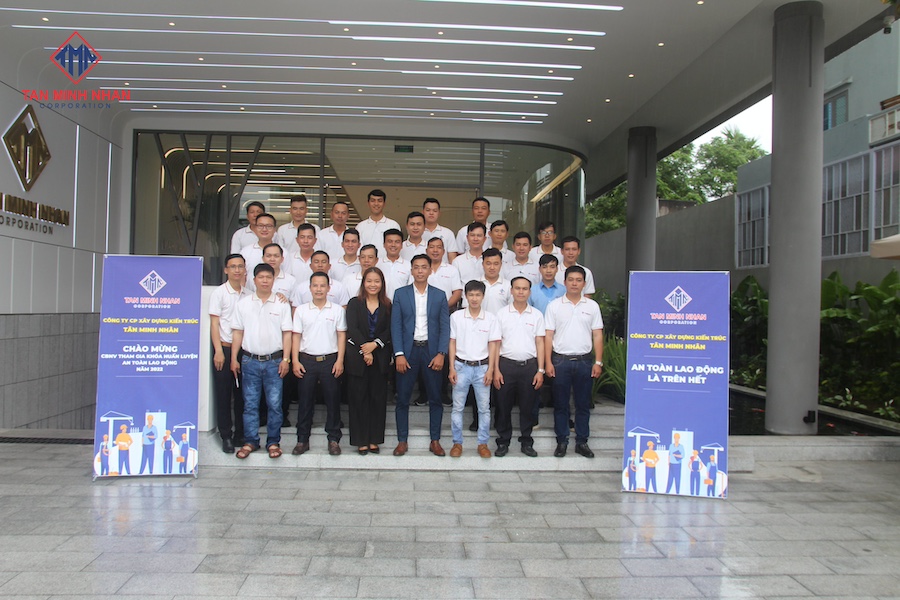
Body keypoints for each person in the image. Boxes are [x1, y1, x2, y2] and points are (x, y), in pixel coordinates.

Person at [231, 263, 293, 460]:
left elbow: (287, 334)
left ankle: (273, 442)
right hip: (249, 360)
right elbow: (238, 332)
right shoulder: (243, 304)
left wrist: (286, 359)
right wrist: (234, 358)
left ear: (273, 280)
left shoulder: (281, 304)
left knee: (274, 404)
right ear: (254, 280)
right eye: (261, 277)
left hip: (274, 361)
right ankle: (250, 441)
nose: (265, 281)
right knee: (250, 404)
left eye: (268, 277)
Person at [391, 254, 450, 457]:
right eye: (416, 267)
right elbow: (396, 326)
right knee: (402, 398)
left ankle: (435, 440)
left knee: (435, 398)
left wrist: (441, 353)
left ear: (430, 270)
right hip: (408, 352)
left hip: (431, 352)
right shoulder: (400, 294)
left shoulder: (439, 295)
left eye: (424, 267)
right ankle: (402, 441)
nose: (420, 271)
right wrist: (399, 354)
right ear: (411, 270)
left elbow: (445, 326)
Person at [544, 265, 604, 459]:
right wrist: (547, 362)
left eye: (578, 280)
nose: (574, 284)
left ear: (584, 284)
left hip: (584, 361)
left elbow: (597, 335)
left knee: (582, 404)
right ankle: (562, 441)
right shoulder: (554, 306)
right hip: (560, 361)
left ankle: (582, 442)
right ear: (565, 282)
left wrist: (598, 362)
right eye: (571, 280)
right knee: (561, 404)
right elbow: (548, 336)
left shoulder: (592, 306)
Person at [291, 272, 347, 456]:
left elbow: (341, 335)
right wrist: (295, 360)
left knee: (333, 401)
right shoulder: (301, 310)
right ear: (310, 288)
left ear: (329, 288)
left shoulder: (337, 310)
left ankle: (333, 439)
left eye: (323, 285)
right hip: (306, 360)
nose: (319, 289)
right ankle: (302, 440)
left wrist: (340, 360)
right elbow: (296, 336)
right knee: (305, 402)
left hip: (330, 360)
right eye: (315, 285)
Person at [493, 277, 545, 457]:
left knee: (528, 406)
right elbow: (496, 343)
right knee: (503, 405)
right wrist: (496, 369)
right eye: (517, 288)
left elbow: (540, 342)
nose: (521, 292)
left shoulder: (537, 315)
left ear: (530, 292)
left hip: (529, 366)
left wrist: (540, 370)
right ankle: (503, 441)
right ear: (511, 291)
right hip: (505, 365)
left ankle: (526, 441)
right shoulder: (501, 314)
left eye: (524, 289)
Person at [448, 280, 501, 458]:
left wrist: (491, 369)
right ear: (465, 296)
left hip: (482, 368)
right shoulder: (456, 317)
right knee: (457, 408)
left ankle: (482, 443)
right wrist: (451, 368)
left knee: (484, 409)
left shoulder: (491, 318)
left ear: (483, 296)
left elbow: (493, 345)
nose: (474, 298)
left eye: (478, 295)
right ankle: (457, 443)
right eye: (471, 295)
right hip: (461, 366)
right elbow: (452, 342)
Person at [345, 267, 392, 455]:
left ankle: (374, 439)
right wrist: (366, 349)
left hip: (380, 359)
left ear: (382, 284)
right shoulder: (354, 303)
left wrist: (375, 345)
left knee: (377, 399)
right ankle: (360, 440)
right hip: (357, 358)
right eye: (369, 281)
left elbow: (389, 330)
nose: (373, 285)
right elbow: (353, 328)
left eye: (377, 281)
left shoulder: (388, 305)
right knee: (358, 399)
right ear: (363, 283)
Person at [208, 253, 250, 452]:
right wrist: (218, 350)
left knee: (243, 395)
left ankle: (240, 434)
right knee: (224, 394)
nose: (237, 270)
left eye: (240, 266)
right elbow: (214, 324)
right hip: (224, 349)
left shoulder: (249, 294)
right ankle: (226, 435)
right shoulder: (219, 293)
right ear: (226, 270)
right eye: (233, 266)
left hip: (244, 351)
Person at [356, 189, 400, 259]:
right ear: (368, 203)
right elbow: (357, 249)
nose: (376, 204)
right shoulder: (360, 226)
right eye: (373, 200)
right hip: (367, 264)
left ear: (384, 204)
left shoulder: (393, 225)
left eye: (379, 201)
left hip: (387, 264)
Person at [425, 237, 462, 308]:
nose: (435, 250)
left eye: (439, 247)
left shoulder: (452, 269)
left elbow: (457, 292)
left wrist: (444, 307)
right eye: (432, 247)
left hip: (446, 309)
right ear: (426, 251)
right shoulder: (421, 270)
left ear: (444, 251)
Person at [421, 197, 458, 263]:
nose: (431, 213)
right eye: (428, 210)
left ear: (439, 213)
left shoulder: (448, 233)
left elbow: (452, 259)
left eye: (435, 211)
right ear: (423, 212)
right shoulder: (417, 233)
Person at [379, 229, 412, 301]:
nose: (393, 245)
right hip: (380, 304)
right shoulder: (377, 264)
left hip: (401, 304)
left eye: (397, 242)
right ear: (384, 244)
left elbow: (410, 289)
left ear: (401, 245)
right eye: (390, 241)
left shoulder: (408, 266)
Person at [479, 248, 510, 314]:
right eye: (488, 264)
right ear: (482, 264)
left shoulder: (509, 286)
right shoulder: (474, 284)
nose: (492, 267)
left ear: (501, 264)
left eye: (496, 264)